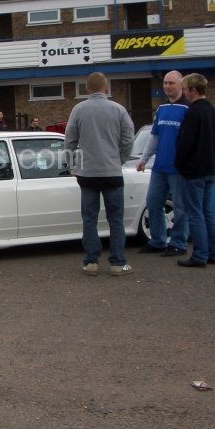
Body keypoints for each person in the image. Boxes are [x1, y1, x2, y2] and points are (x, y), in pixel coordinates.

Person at [64, 72, 134, 276]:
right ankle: (118, 263)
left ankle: (91, 262)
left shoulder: (78, 110)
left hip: (88, 173)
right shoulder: (119, 110)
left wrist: (72, 165)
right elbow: (128, 139)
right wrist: (120, 159)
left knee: (89, 219)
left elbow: (70, 141)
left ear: (87, 89)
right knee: (116, 219)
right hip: (112, 172)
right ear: (106, 88)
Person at [136, 70, 189, 256]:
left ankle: (178, 243)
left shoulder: (188, 109)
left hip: (179, 168)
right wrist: (144, 159)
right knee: (153, 202)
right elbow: (154, 137)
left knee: (180, 207)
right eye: (165, 83)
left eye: (171, 83)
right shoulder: (161, 109)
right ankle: (157, 240)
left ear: (181, 85)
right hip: (159, 166)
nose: (167, 86)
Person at [174, 73, 215, 268]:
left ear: (193, 90)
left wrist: (180, 164)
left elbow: (184, 143)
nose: (184, 93)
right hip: (210, 168)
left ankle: (199, 255)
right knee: (208, 211)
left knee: (195, 213)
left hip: (194, 170)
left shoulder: (192, 113)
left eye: (185, 89)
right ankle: (213, 252)